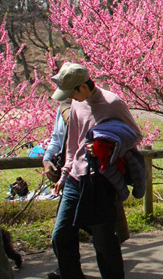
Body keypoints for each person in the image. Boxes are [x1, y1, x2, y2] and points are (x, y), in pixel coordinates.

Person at [50, 62, 142, 279]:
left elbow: (135, 136)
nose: (69, 98)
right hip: (75, 178)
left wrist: (108, 143)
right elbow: (73, 143)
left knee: (103, 241)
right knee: (60, 236)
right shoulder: (76, 105)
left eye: (71, 92)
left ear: (82, 87)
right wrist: (64, 173)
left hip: (100, 179)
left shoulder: (113, 103)